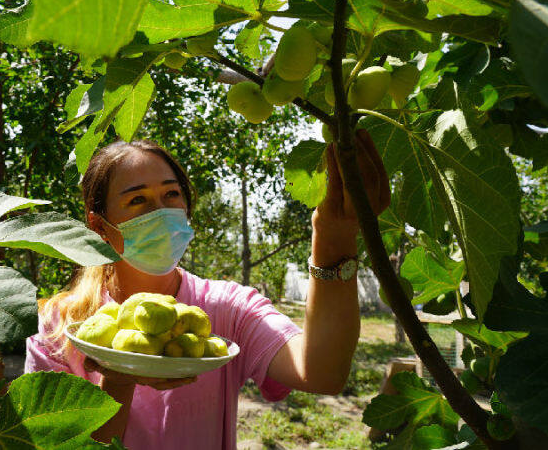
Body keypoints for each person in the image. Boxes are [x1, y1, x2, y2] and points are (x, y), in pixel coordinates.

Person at [25, 131, 390, 449]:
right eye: (138, 200)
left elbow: (322, 371)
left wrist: (333, 238)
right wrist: (118, 380)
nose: (162, 211)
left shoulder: (226, 308)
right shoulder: (60, 328)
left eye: (171, 195)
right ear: (99, 225)